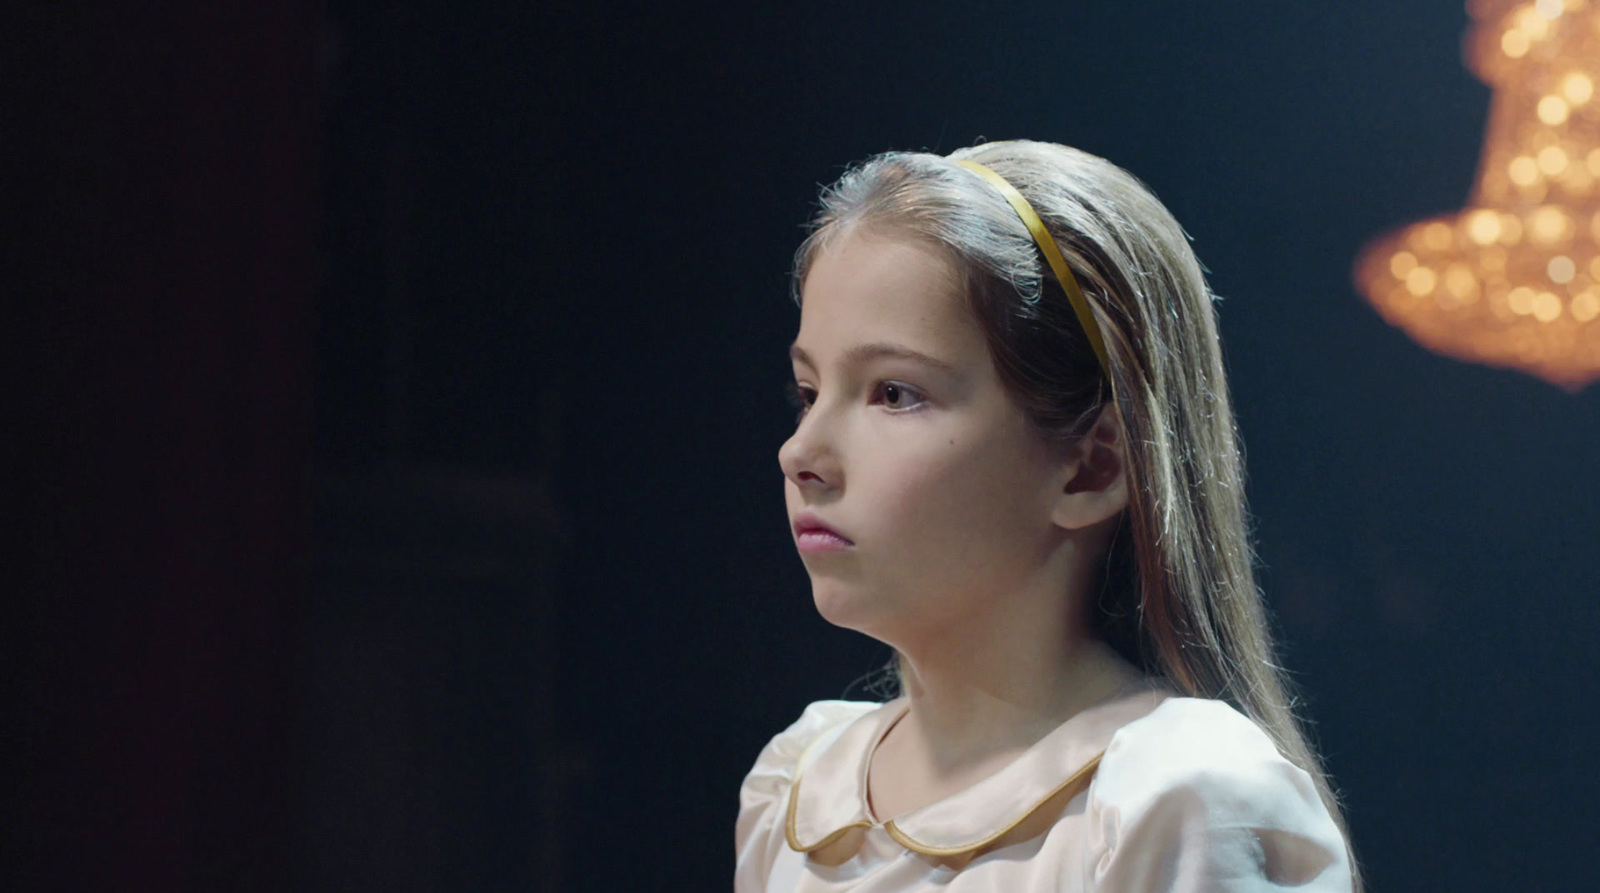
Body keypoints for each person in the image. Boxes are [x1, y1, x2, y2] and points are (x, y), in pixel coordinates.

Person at [735, 140, 1359, 892]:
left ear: (1092, 465)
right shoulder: (799, 786)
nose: (801, 450)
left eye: (894, 392)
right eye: (809, 393)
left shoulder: (1175, 801)